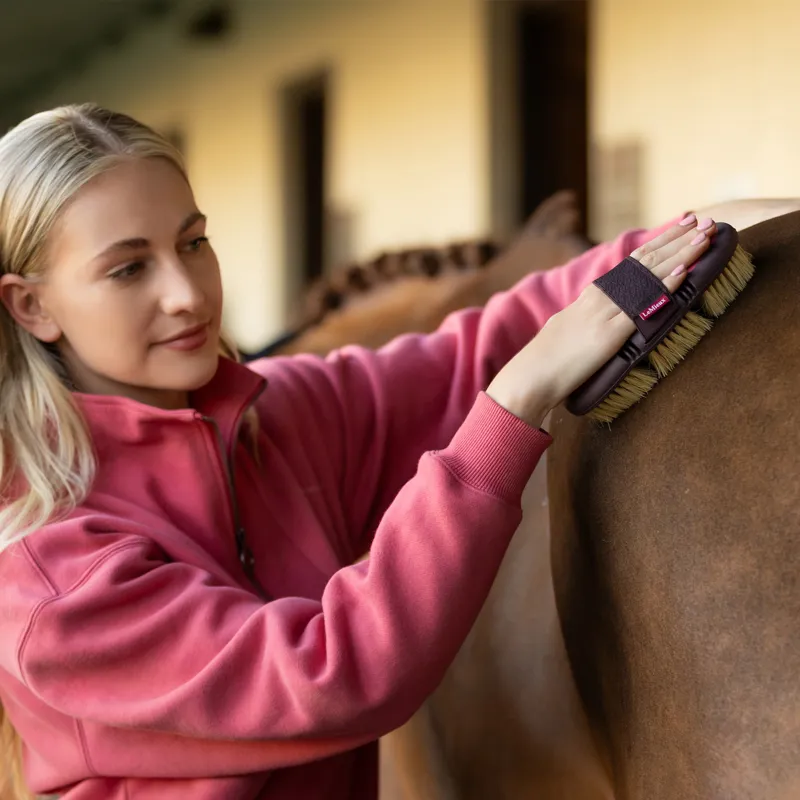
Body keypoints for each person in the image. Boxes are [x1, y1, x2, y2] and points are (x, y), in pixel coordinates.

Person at [0, 104, 715, 800]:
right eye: (129, 269)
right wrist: (515, 403)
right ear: (31, 306)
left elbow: (471, 353)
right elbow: (335, 677)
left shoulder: (275, 419)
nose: (187, 293)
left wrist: (696, 236)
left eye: (193, 243)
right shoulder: (47, 571)